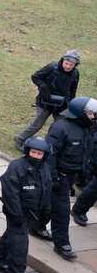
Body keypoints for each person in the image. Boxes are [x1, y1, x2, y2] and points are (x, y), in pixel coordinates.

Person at [0, 137, 51, 273]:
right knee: (20, 245)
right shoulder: (16, 167)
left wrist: (45, 212)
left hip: (33, 213)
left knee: (11, 236)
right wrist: (16, 214)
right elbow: (10, 193)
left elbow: (46, 189)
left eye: (39, 154)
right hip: (17, 213)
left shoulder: (45, 168)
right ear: (27, 151)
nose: (36, 156)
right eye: (33, 152)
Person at [45, 96, 96, 261]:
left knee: (47, 206)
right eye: (91, 113)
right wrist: (55, 178)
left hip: (73, 175)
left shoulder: (88, 128)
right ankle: (62, 244)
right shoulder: (61, 128)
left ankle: (37, 226)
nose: (94, 116)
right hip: (60, 176)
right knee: (62, 211)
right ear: (80, 113)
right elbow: (50, 154)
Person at [14, 50, 81, 150]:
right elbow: (35, 77)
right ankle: (20, 139)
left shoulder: (75, 73)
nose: (67, 66)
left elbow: (73, 90)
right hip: (45, 102)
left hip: (62, 105)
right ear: (62, 60)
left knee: (58, 127)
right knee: (37, 124)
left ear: (75, 65)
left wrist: (70, 104)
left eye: (71, 65)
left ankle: (49, 147)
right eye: (66, 63)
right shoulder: (52, 67)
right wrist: (43, 87)